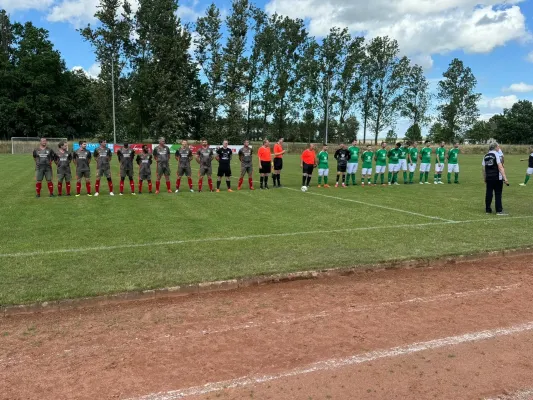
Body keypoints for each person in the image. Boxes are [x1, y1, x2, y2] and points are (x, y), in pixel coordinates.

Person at [482, 143, 509, 215]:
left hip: (489, 177)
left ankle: (488, 210)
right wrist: (505, 178)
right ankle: (499, 210)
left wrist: (485, 178)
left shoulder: (485, 156)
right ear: (495, 147)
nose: (499, 148)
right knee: (498, 194)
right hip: (497, 177)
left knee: (489, 193)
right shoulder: (496, 155)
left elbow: (484, 169)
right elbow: (500, 167)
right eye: (498, 146)